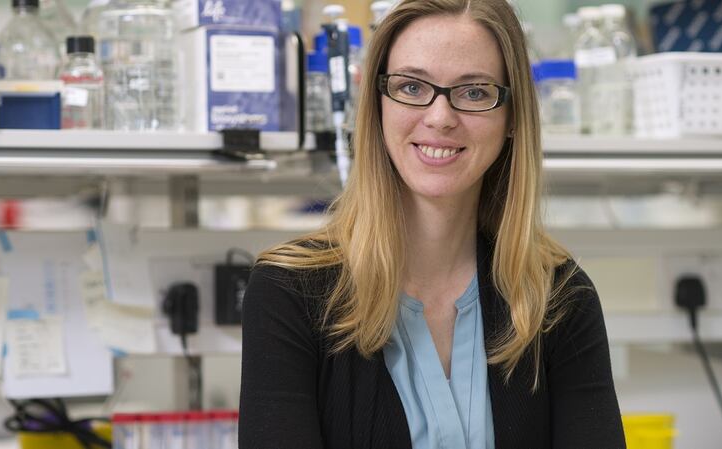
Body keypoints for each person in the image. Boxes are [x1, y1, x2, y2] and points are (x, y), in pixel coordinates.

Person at [239, 0, 626, 448]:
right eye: (411, 87)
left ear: (513, 116)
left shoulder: (558, 298)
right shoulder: (289, 294)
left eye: (475, 92)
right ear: (377, 105)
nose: (440, 117)